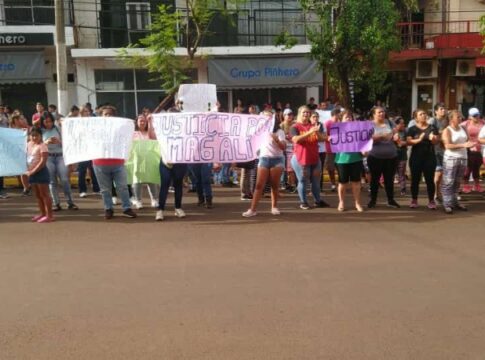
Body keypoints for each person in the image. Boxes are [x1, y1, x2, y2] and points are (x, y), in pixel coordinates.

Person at [92, 106, 137, 219]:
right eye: (105, 114)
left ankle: (126, 208)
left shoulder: (120, 128)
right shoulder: (94, 129)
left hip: (117, 162)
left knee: (123, 187)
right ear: (101, 116)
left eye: (110, 114)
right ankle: (108, 209)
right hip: (100, 162)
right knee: (105, 189)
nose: (108, 116)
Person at [242, 115, 286, 217]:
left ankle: (274, 207)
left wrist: (277, 140)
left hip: (277, 160)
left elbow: (283, 147)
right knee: (259, 185)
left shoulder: (279, 132)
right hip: (264, 158)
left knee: (274, 185)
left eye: (269, 119)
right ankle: (252, 210)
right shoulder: (260, 131)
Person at [290, 107, 330, 209]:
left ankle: (318, 201)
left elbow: (320, 138)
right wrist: (310, 132)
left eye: (308, 112)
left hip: (314, 157)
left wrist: (326, 137)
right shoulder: (295, 127)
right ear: (299, 113)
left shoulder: (313, 126)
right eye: (304, 112)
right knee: (303, 180)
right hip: (301, 158)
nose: (306, 114)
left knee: (316, 180)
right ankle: (303, 202)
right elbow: (296, 140)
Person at [41, 112, 79, 211]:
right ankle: (56, 203)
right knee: (52, 182)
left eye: (50, 121)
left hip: (60, 156)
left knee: (65, 179)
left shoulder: (58, 129)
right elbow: (37, 145)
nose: (48, 123)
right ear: (42, 122)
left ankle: (70, 202)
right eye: (46, 122)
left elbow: (68, 143)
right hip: (48, 157)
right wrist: (46, 142)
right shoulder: (40, 131)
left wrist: (59, 142)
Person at [367, 106, 400, 209]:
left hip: (391, 157)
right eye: (379, 112)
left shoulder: (390, 123)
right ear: (373, 114)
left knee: (389, 180)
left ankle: (390, 200)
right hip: (375, 156)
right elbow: (367, 139)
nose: (382, 113)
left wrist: (396, 137)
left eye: (383, 112)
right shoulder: (369, 125)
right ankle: (373, 200)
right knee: (375, 180)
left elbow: (395, 133)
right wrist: (381, 137)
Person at [406, 109, 440, 209]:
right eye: (421, 114)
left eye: (424, 113)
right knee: (415, 180)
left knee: (430, 180)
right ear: (416, 117)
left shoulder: (432, 127)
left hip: (429, 157)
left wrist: (433, 139)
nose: (424, 115)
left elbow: (437, 141)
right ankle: (414, 200)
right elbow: (408, 142)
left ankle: (431, 201)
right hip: (416, 157)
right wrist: (419, 139)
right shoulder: (412, 129)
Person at [442, 110, 473, 214]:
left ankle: (455, 201)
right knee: (448, 182)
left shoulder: (463, 128)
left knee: (457, 182)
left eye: (461, 117)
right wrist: (463, 145)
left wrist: (471, 144)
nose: (461, 118)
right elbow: (447, 146)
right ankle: (447, 204)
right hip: (451, 158)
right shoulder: (447, 130)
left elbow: (468, 140)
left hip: (463, 157)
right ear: (451, 119)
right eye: (458, 117)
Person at [334, 110, 364, 212]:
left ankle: (357, 203)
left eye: (350, 117)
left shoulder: (358, 130)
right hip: (341, 160)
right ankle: (341, 202)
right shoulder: (337, 130)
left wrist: (365, 149)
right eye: (346, 117)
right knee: (343, 182)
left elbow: (363, 144)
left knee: (356, 182)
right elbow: (335, 144)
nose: (349, 119)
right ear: (341, 119)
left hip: (356, 159)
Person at [130, 114, 159, 209]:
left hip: (150, 160)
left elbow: (153, 138)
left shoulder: (150, 132)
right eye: (140, 120)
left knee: (152, 179)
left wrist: (150, 122)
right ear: (137, 122)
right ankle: (138, 200)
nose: (142, 122)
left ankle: (154, 199)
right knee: (137, 181)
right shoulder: (133, 133)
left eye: (144, 121)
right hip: (137, 160)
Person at [26, 127, 53, 223]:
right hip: (31, 172)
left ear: (41, 136)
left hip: (41, 172)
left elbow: (43, 162)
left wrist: (33, 171)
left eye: (36, 135)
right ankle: (42, 214)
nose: (34, 137)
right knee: (38, 195)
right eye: (32, 135)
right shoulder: (28, 144)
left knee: (44, 194)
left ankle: (49, 216)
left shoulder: (43, 146)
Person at [77, 105, 100, 197]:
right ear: (81, 113)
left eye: (88, 111)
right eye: (85, 111)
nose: (87, 113)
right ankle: (82, 190)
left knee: (93, 169)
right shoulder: (77, 122)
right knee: (82, 170)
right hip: (82, 149)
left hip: (92, 148)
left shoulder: (93, 121)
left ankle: (96, 189)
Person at [427, 103, 448, 203]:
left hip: (444, 150)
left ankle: (439, 193)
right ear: (436, 111)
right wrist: (443, 132)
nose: (443, 110)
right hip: (434, 150)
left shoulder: (446, 120)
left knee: (443, 173)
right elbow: (431, 134)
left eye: (444, 109)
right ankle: (436, 194)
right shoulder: (432, 120)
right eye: (441, 109)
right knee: (438, 172)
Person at [461, 107, 484, 193]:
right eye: (474, 115)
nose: (477, 117)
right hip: (468, 148)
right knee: (468, 167)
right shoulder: (464, 124)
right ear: (470, 116)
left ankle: (476, 185)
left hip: (480, 148)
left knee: (477, 167)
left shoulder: (483, 123)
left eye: (478, 114)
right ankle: (466, 185)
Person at [324, 108, 340, 191]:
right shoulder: (327, 123)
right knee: (330, 167)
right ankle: (333, 184)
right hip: (330, 148)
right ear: (335, 115)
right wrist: (328, 138)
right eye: (339, 114)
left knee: (340, 166)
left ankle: (341, 182)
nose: (340, 116)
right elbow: (324, 135)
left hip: (340, 149)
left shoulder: (341, 123)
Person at [394, 117, 408, 196]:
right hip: (392, 156)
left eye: (403, 123)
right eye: (401, 123)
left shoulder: (405, 131)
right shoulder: (392, 131)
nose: (403, 125)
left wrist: (399, 141)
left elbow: (407, 142)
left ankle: (403, 189)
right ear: (396, 124)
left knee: (401, 173)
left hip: (402, 155)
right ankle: (390, 189)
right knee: (391, 173)